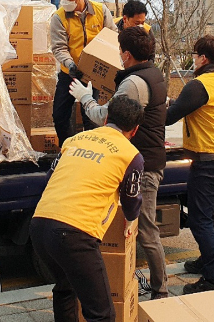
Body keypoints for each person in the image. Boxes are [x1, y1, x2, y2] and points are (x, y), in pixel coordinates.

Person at [69, 26, 168, 299]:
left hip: (142, 163)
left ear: (125, 54)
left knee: (145, 229)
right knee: (131, 229)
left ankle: (161, 291)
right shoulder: (153, 73)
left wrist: (84, 97)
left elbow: (107, 116)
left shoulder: (133, 83)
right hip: (142, 158)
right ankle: (126, 282)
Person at [31, 95, 145, 322]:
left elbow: (50, 178)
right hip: (74, 234)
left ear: (105, 120)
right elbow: (132, 197)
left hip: (39, 225)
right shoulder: (131, 154)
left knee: (65, 287)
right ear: (135, 130)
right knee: (101, 314)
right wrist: (131, 219)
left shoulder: (74, 140)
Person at [165, 35, 214, 297]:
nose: (193, 59)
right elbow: (193, 107)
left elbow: (170, 118)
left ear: (203, 58)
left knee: (200, 219)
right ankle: (209, 262)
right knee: (211, 214)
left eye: (195, 55)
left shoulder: (199, 84)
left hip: (207, 162)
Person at [50, 0, 116, 145]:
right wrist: (70, 64)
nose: (63, 1)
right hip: (69, 74)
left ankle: (91, 151)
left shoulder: (100, 11)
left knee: (92, 118)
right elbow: (59, 48)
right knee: (60, 114)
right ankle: (68, 149)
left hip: (95, 75)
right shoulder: (59, 18)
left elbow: (113, 37)